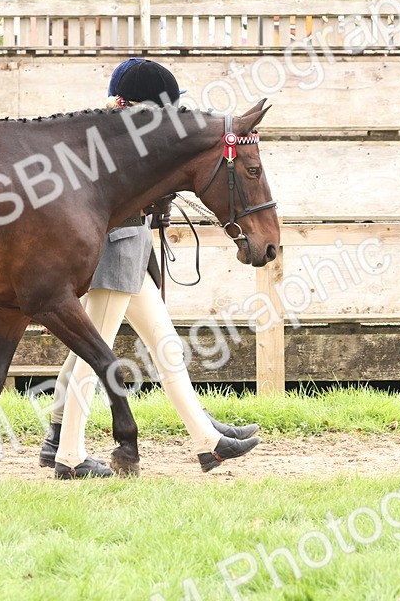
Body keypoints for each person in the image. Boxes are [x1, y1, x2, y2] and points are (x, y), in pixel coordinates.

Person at [40, 58, 261, 479]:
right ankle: (69, 455)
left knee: (166, 346)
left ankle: (207, 441)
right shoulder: (119, 142)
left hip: (130, 251)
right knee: (93, 355)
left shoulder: (117, 136)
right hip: (115, 254)